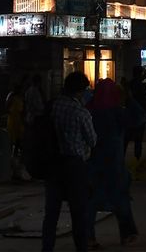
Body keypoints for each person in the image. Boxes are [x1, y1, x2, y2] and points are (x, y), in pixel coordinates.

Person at [41, 71, 96, 252]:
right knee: (78, 212)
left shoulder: (52, 106)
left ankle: (47, 248)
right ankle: (81, 247)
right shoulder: (81, 112)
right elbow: (92, 140)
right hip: (75, 165)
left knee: (51, 213)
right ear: (80, 91)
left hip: (53, 163)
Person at [85, 79, 139, 248]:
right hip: (114, 163)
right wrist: (129, 98)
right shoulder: (117, 112)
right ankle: (127, 234)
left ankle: (89, 237)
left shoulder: (89, 110)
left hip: (92, 163)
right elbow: (139, 118)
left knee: (90, 202)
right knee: (120, 199)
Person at [6, 82, 25, 156]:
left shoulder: (20, 97)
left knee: (19, 137)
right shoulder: (12, 96)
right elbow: (7, 106)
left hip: (18, 119)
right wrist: (10, 112)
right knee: (11, 137)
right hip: (13, 119)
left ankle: (15, 153)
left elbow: (22, 109)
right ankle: (10, 153)